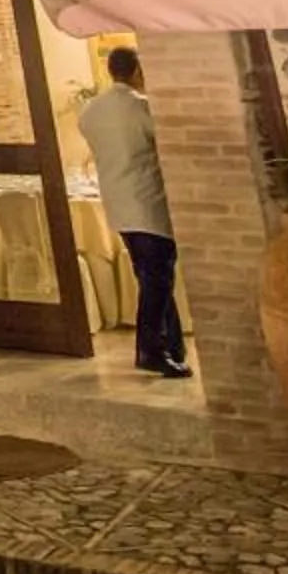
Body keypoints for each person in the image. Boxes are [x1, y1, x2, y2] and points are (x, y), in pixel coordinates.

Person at [76, 46, 186, 378]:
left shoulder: (91, 110)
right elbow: (167, 142)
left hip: (118, 202)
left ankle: (172, 344)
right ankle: (150, 350)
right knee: (157, 279)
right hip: (147, 201)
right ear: (138, 70)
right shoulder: (140, 108)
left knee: (151, 277)